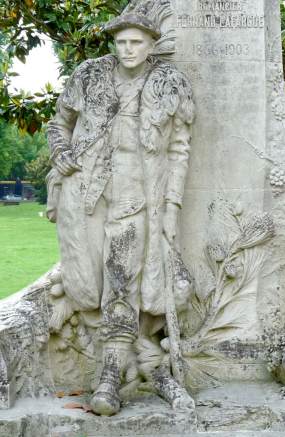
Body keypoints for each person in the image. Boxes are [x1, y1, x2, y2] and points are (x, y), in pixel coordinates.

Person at [47, 11, 195, 415]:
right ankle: (142, 356)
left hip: (136, 194)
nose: (128, 49)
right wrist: (60, 154)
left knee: (121, 281)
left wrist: (171, 206)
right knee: (82, 285)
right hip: (85, 191)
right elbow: (59, 123)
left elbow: (180, 149)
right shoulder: (89, 75)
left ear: (151, 45)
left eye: (137, 42)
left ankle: (110, 375)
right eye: (122, 42)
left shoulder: (169, 83)